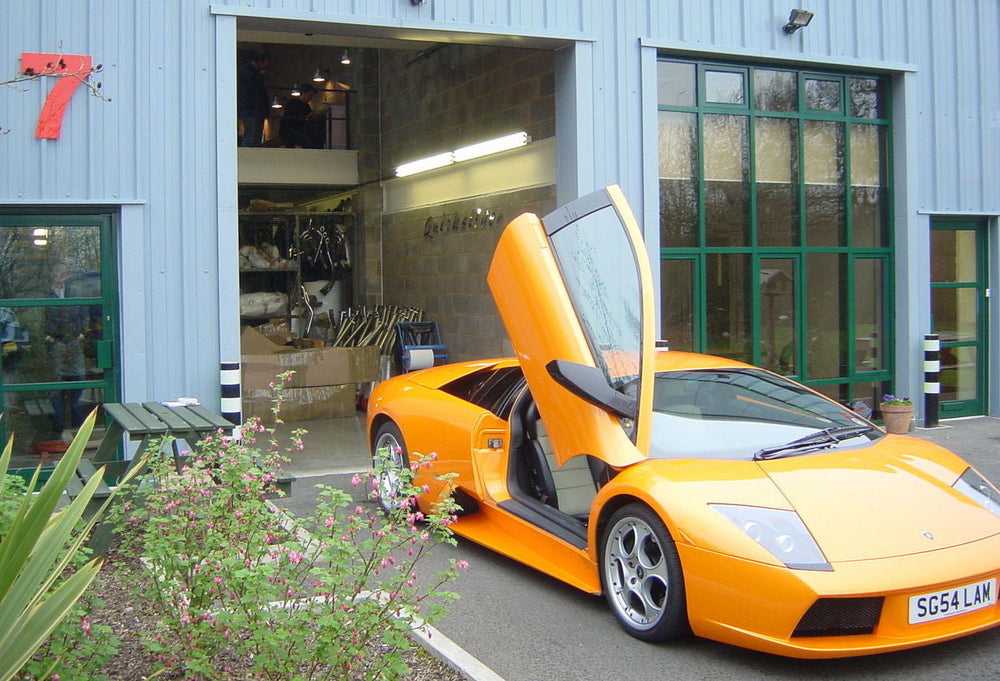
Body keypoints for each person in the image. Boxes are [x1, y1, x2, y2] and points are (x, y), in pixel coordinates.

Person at [46, 264, 87, 439]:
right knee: (57, 384)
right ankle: (58, 426)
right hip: (57, 343)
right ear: (52, 274)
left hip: (74, 343)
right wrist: (49, 338)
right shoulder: (45, 294)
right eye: (58, 272)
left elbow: (84, 313)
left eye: (64, 273)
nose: (61, 276)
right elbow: (42, 318)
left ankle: (79, 426)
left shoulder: (74, 292)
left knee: (78, 380)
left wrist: (81, 335)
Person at [237, 52, 270, 147]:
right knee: (251, 135)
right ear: (259, 62)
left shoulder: (247, 71)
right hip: (250, 108)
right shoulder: (247, 71)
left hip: (255, 108)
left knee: (255, 136)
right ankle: (247, 154)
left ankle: (250, 153)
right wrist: (261, 75)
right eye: (265, 63)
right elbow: (251, 82)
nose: (266, 67)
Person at [280, 84, 317, 148]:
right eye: (310, 96)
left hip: (292, 130)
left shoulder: (306, 106)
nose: (310, 99)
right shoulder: (293, 103)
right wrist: (306, 118)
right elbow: (290, 119)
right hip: (288, 130)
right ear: (303, 93)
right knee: (306, 141)